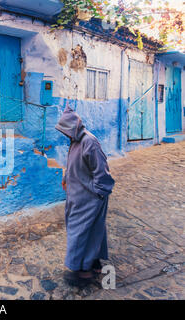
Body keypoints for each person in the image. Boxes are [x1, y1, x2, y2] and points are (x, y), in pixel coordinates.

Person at [55, 106, 115, 287]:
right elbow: (72, 164)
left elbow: (101, 172)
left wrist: (97, 194)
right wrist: (66, 178)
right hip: (77, 196)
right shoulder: (74, 141)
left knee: (79, 232)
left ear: (73, 127)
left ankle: (81, 270)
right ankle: (94, 262)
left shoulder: (89, 142)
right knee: (94, 230)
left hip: (90, 197)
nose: (65, 134)